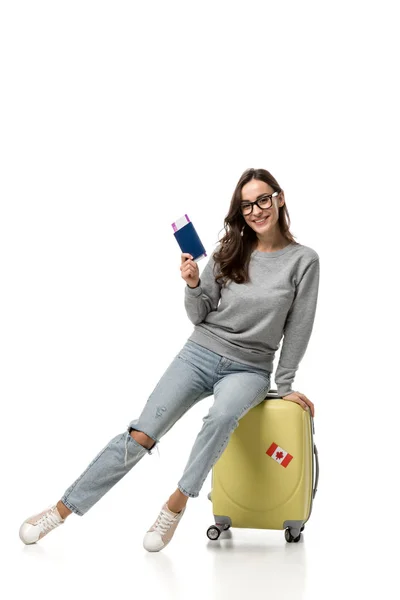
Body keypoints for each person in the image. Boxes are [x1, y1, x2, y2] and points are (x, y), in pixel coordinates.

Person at [19, 167, 319, 552]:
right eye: (247, 205)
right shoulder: (229, 251)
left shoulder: (304, 261)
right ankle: (61, 510)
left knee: (222, 417)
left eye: (263, 199)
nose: (256, 211)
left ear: (279, 198)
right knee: (142, 433)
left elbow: (300, 326)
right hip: (200, 351)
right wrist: (194, 284)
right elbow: (200, 313)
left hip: (250, 368)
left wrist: (286, 385)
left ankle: (175, 506)